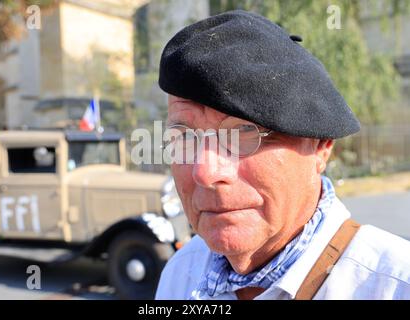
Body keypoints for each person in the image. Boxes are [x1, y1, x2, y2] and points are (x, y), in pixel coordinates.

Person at [155, 10, 410, 300]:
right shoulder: (181, 273)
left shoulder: (394, 287)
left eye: (243, 133)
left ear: (319, 147)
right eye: (185, 138)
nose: (205, 171)